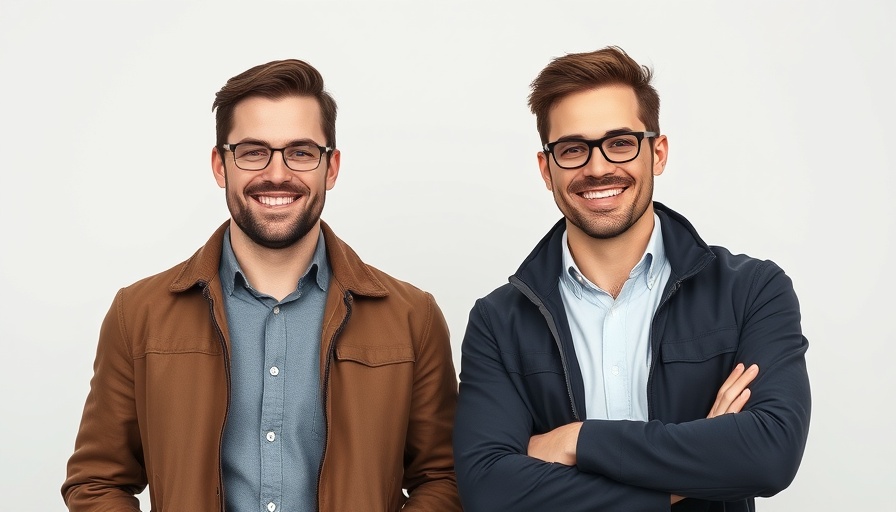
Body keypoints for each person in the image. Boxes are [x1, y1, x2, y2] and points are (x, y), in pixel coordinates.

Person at [62, 59, 461, 512]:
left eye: (301, 151)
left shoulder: (412, 317)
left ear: (331, 167)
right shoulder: (138, 314)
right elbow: (96, 483)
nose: (277, 174)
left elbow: (443, 480)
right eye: (253, 151)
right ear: (220, 165)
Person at [453, 46, 811, 511]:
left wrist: (577, 441)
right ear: (547, 169)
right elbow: (491, 492)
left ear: (657, 153)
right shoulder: (497, 320)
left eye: (620, 142)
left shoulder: (752, 291)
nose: (598, 167)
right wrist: (692, 473)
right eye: (572, 149)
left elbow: (769, 454)